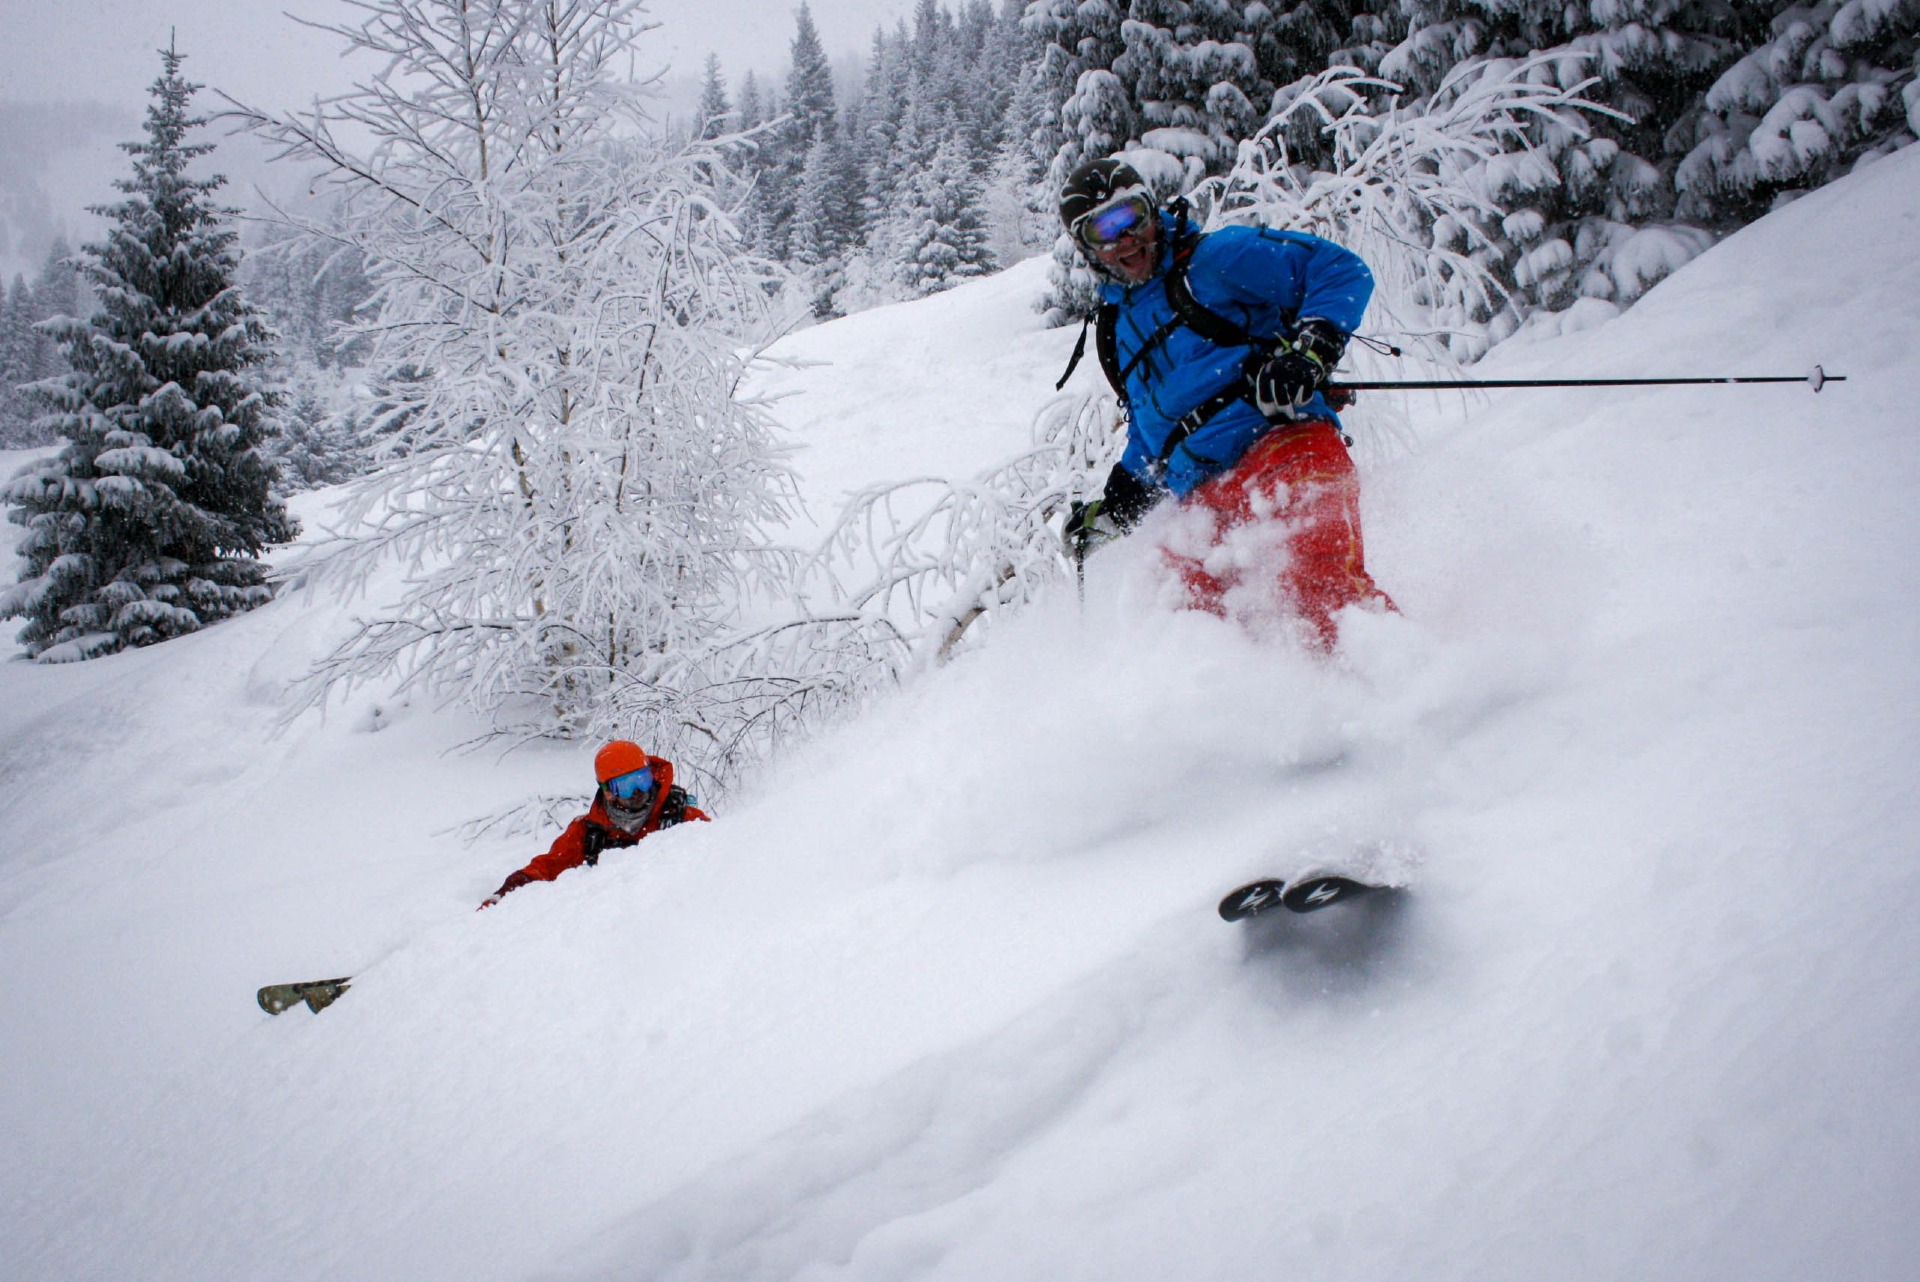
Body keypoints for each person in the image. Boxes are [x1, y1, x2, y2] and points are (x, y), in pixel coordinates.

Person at [1057, 156, 1393, 649]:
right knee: (1179, 624)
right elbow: (1153, 427)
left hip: (1284, 449)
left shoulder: (1218, 259)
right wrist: (1117, 504)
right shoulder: (1117, 330)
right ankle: (1247, 718)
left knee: (1321, 597)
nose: (1124, 239)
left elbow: (1338, 269)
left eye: (1130, 216)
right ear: (1086, 250)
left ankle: (1417, 692)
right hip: (1202, 499)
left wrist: (1311, 349)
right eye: (1102, 231)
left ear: (1152, 210)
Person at [480, 740, 708, 908]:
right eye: (626, 785)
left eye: (642, 779)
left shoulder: (684, 819)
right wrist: (510, 888)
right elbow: (547, 867)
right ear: (608, 792)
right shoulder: (588, 833)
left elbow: (721, 854)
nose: (638, 792)